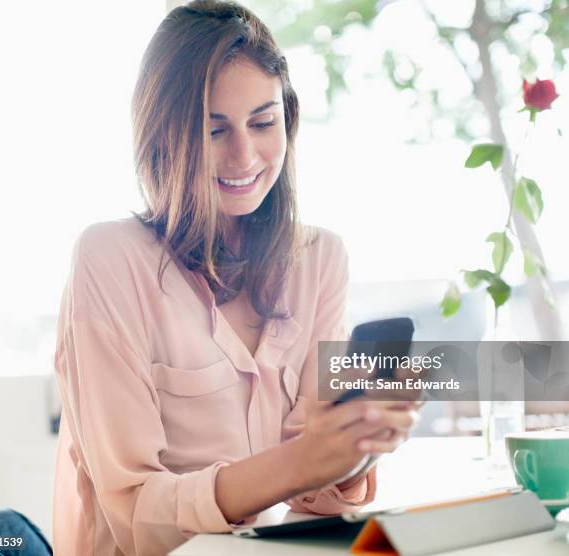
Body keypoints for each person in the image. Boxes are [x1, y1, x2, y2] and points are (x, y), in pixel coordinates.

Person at [52, 1, 421, 555]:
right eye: (213, 130)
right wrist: (300, 461)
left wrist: (351, 449)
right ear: (164, 137)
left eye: (263, 122)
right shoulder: (109, 258)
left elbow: (315, 500)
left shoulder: (319, 258)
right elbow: (134, 518)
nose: (243, 155)